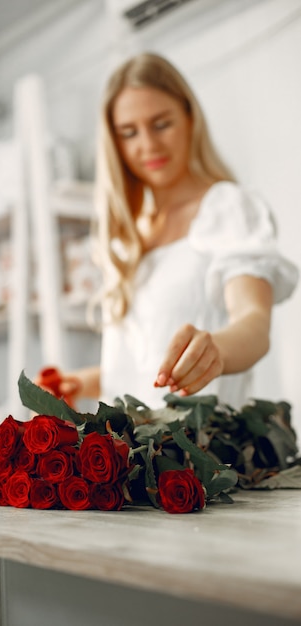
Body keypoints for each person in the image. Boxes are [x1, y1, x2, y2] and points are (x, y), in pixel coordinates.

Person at [39, 52, 298, 410]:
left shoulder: (225, 208)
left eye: (161, 124)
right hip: (133, 460)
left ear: (190, 118)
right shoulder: (129, 236)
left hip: (203, 456)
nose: (148, 145)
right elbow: (147, 369)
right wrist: (82, 381)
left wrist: (216, 350)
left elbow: (253, 323)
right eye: (129, 133)